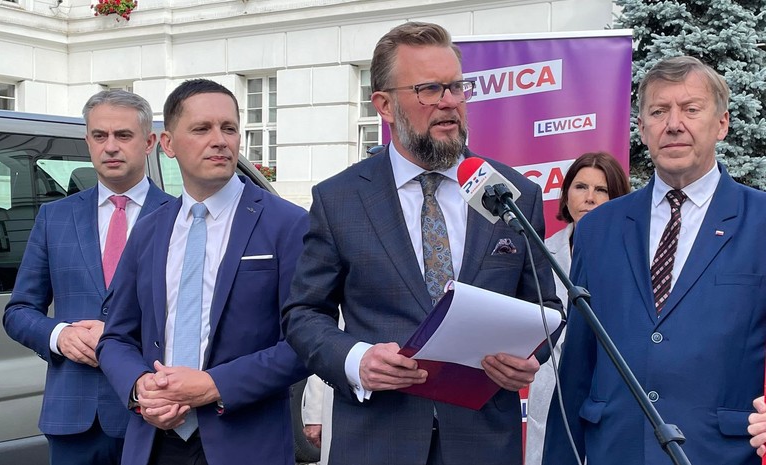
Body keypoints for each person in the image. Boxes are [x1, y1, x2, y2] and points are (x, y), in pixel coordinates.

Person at [281, 21, 560, 465]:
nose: (449, 102)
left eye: (456, 87)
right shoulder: (340, 199)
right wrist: (356, 359)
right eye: (429, 89)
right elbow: (303, 314)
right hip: (377, 440)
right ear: (384, 105)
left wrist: (531, 357)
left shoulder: (511, 193)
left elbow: (544, 307)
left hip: (484, 442)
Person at [542, 55, 766, 465]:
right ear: (642, 127)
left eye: (691, 109)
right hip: (616, 451)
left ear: (722, 124)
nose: (674, 124)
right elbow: (577, 366)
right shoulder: (598, 228)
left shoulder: (761, 221)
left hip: (722, 454)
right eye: (659, 111)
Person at [96, 79, 309, 465]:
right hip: (155, 441)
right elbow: (116, 337)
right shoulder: (149, 229)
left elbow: (306, 343)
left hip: (245, 444)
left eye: (229, 128)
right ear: (168, 144)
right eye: (202, 129)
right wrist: (140, 388)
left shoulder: (288, 224)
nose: (220, 140)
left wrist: (214, 385)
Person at [2, 90, 173, 464]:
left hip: (154, 414)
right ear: (88, 141)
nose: (110, 146)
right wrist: (60, 335)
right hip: (73, 417)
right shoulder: (54, 218)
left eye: (123, 135)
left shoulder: (180, 217)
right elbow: (18, 312)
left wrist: (117, 340)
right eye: (100, 135)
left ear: (149, 143)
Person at [524, 151, 629, 465]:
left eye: (602, 190)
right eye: (581, 187)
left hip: (610, 394)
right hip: (550, 393)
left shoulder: (632, 257)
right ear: (566, 194)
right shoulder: (541, 252)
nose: (589, 198)